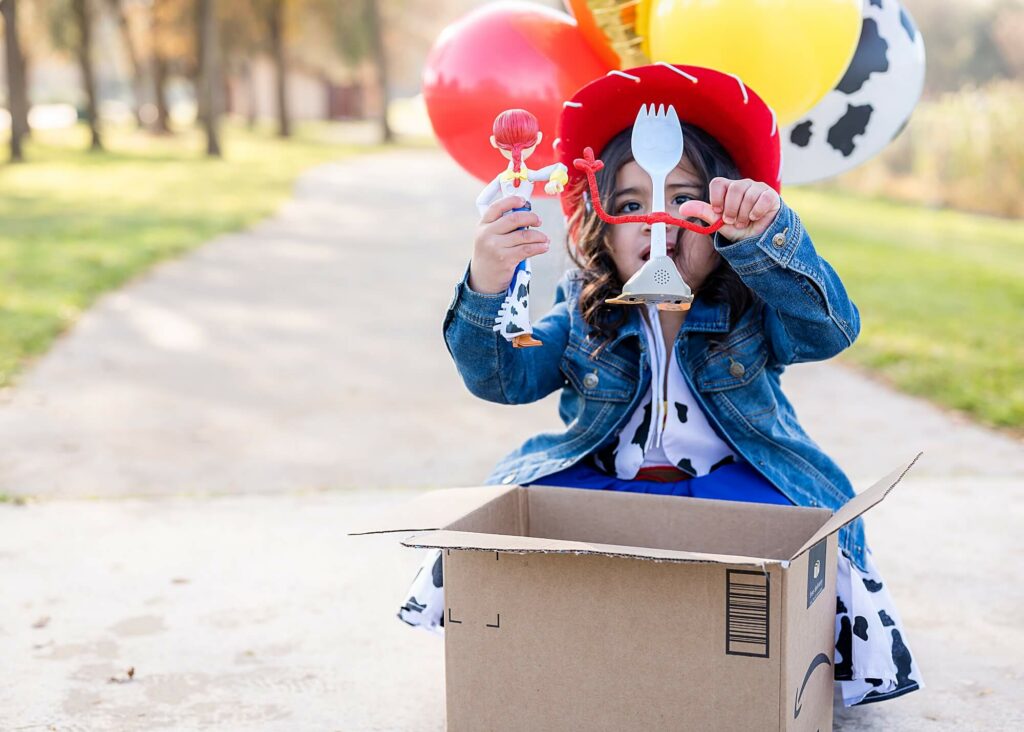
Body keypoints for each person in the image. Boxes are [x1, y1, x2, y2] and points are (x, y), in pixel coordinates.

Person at [398, 64, 922, 707]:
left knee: (799, 532)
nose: (658, 223)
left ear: (722, 214)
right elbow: (501, 380)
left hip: (733, 483)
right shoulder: (584, 310)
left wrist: (765, 240)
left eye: (684, 199)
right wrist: (487, 284)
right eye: (629, 205)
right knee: (512, 513)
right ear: (599, 225)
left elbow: (830, 330)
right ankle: (552, 649)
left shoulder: (750, 305)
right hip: (606, 481)